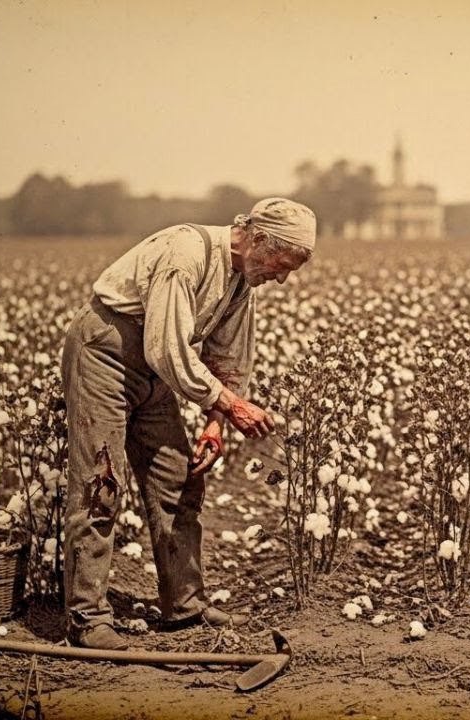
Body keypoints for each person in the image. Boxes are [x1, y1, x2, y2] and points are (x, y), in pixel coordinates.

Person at [60, 198, 317, 650]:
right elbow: (166, 348)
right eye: (281, 265)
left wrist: (215, 422)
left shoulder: (242, 281)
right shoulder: (187, 254)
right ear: (256, 239)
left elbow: (228, 359)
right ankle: (87, 618)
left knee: (177, 478)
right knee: (101, 481)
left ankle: (184, 603)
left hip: (156, 371)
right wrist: (232, 406)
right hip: (105, 353)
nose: (281, 278)